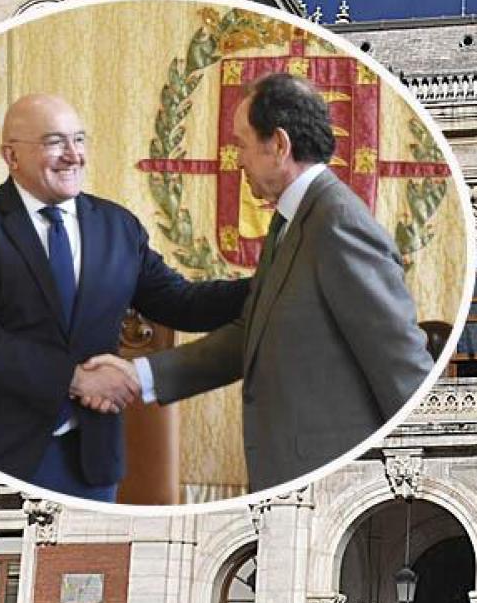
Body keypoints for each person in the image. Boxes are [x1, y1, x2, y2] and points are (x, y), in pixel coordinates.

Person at [109, 72, 434, 492]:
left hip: (333, 483)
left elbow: (404, 370)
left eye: (242, 144)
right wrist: (141, 375)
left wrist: (412, 486)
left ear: (279, 145)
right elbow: (252, 334)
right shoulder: (292, 221)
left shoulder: (337, 223)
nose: (237, 160)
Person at [0, 94, 250, 502]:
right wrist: (75, 378)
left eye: (78, 139)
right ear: (11, 156)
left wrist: (274, 282)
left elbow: (182, 303)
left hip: (89, 460)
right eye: (54, 142)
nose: (73, 155)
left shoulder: (118, 226)